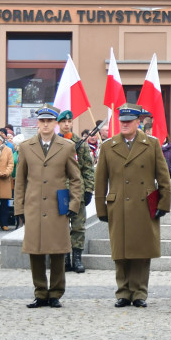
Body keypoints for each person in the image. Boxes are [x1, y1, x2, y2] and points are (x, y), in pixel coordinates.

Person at [94, 104, 171, 307]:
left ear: (139, 122)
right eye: (122, 121)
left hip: (144, 205)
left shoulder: (152, 144)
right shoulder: (108, 146)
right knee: (120, 251)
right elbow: (100, 180)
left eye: (129, 121)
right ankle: (123, 292)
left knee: (142, 251)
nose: (125, 124)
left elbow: (163, 177)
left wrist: (164, 203)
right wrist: (100, 208)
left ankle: (139, 293)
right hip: (118, 204)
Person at [14, 104, 83, 309]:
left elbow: (76, 178)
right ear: (38, 123)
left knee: (57, 251)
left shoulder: (67, 146)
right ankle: (40, 292)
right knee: (35, 252)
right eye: (42, 121)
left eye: (49, 121)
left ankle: (55, 293)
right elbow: (20, 181)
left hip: (57, 206)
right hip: (34, 206)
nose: (45, 124)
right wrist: (19, 209)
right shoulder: (26, 147)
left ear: (55, 123)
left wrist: (74, 203)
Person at [57, 110, 95, 274]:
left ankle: (77, 258)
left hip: (77, 190)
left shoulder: (80, 143)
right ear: (58, 124)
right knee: (61, 227)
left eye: (69, 121)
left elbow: (87, 168)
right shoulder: (53, 142)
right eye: (63, 122)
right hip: (59, 190)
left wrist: (88, 190)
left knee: (78, 226)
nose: (66, 124)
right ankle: (64, 258)